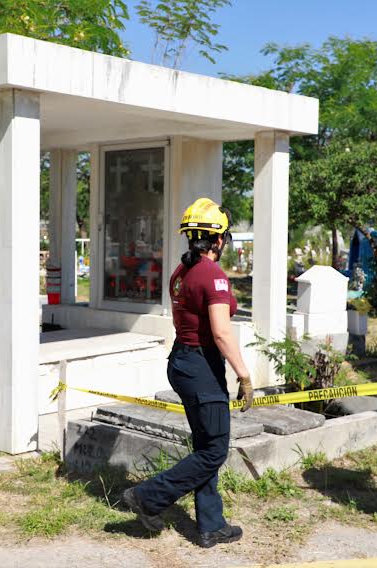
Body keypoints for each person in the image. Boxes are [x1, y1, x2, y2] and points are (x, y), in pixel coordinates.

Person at [122, 197, 253, 548]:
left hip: (181, 361)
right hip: (201, 366)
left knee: (205, 444)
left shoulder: (182, 272)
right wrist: (244, 376)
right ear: (219, 240)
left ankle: (211, 524)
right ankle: (149, 496)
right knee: (214, 451)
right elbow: (222, 332)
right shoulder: (213, 275)